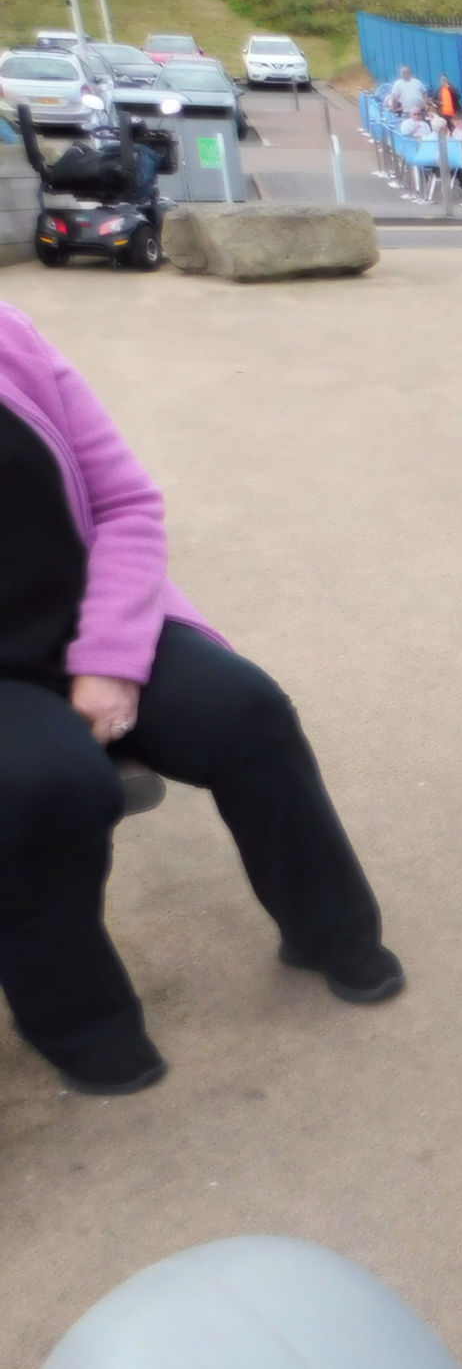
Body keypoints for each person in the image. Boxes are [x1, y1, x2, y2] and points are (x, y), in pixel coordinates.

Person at [0, 307, 403, 1096]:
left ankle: (330, 932)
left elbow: (127, 504)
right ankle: (80, 1020)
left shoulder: (9, 336)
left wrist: (110, 658)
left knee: (249, 713)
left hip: (92, 618)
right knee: (46, 789)